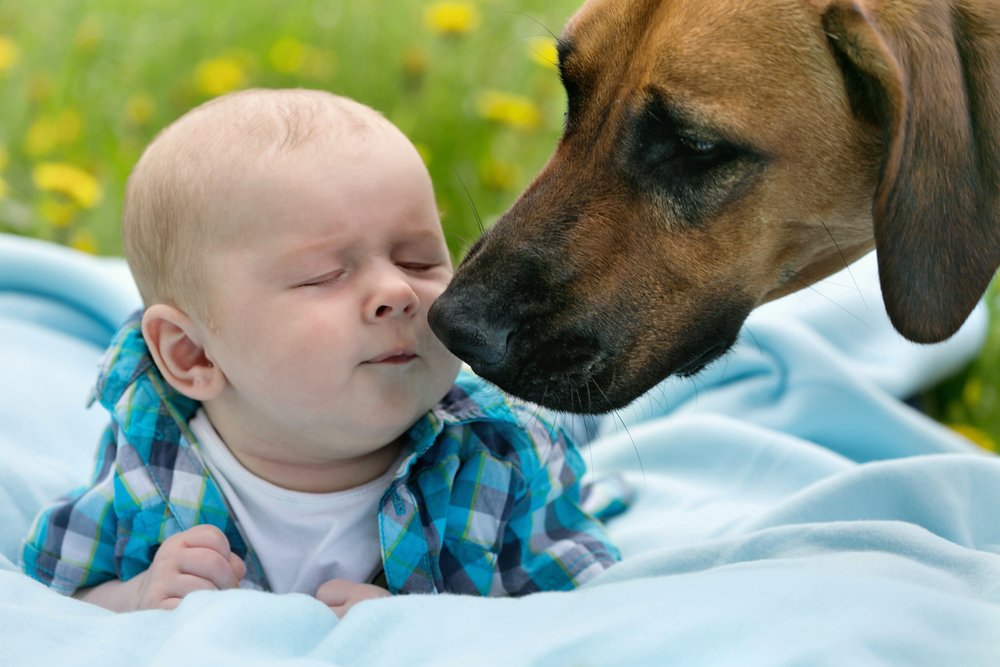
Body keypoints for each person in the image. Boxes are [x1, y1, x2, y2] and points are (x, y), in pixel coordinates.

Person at [20, 88, 625, 617]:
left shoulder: (498, 460)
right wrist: (136, 595)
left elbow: (575, 603)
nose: (396, 291)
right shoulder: (149, 464)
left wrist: (435, 626)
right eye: (323, 276)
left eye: (419, 260)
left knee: (579, 413)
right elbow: (56, 590)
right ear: (193, 356)